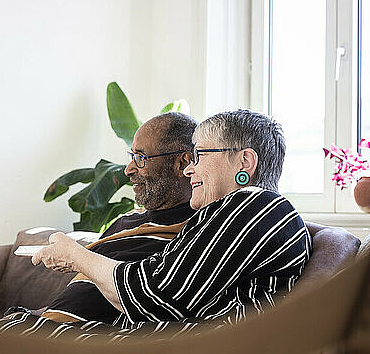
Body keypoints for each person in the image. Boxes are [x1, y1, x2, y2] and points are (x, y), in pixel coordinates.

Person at [31, 109, 311, 329]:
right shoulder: (228, 214)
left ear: (244, 162)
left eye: (199, 156)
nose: (190, 170)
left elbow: (154, 296)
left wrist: (76, 256)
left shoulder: (257, 206)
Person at [40, 111, 198, 324]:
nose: (128, 169)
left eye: (141, 158)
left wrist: (74, 255)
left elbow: (147, 301)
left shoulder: (193, 232)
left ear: (183, 163)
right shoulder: (126, 221)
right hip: (42, 328)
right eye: (131, 156)